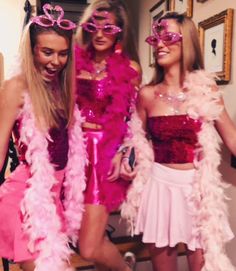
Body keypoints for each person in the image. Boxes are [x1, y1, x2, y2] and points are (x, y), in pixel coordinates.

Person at [120, 12, 236, 271]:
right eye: (156, 39)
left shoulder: (207, 91)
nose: (160, 44)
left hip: (198, 191)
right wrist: (127, 157)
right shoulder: (147, 95)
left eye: (169, 37)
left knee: (202, 266)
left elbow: (231, 137)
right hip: (159, 187)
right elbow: (134, 139)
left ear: (188, 42)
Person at [0, 4, 87, 271]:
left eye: (62, 54)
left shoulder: (63, 88)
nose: (56, 62)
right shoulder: (17, 87)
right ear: (32, 50)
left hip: (54, 200)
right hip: (27, 200)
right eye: (47, 52)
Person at [74, 0, 141, 270]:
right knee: (93, 236)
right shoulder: (73, 64)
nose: (100, 34)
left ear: (120, 31)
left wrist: (125, 151)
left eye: (108, 27)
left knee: (88, 247)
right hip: (76, 158)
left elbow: (136, 121)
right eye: (93, 26)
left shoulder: (131, 69)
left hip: (105, 158)